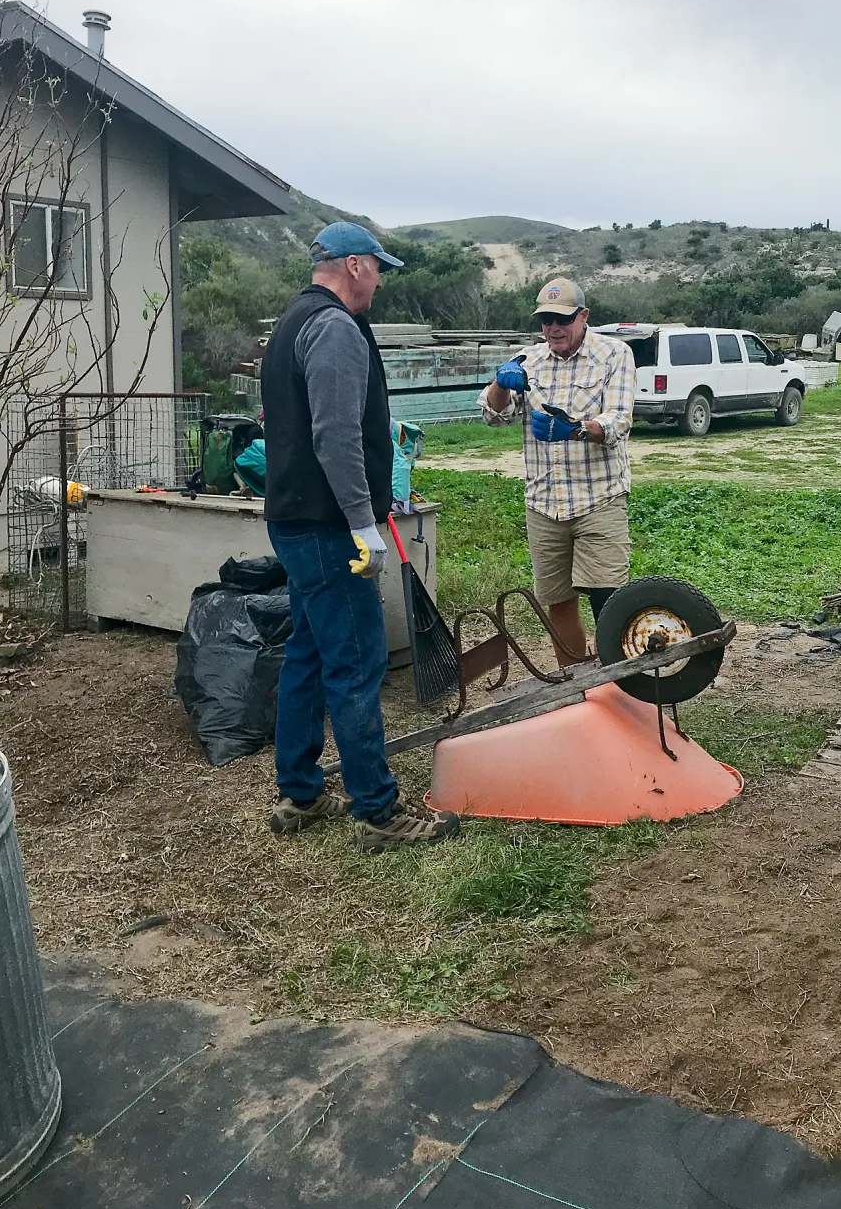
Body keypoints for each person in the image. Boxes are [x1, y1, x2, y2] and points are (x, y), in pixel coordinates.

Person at [261, 221, 460, 853]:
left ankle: (300, 790)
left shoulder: (291, 321)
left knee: (310, 654)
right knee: (356, 662)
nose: (379, 280)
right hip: (326, 526)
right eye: (378, 268)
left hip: (294, 518)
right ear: (352, 265)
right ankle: (378, 809)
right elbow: (336, 436)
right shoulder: (336, 329)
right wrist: (361, 523)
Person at [479, 278, 636, 666]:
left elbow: (619, 420)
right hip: (545, 503)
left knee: (609, 599)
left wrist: (579, 429)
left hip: (598, 498)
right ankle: (577, 689)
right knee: (559, 603)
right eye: (546, 320)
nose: (553, 328)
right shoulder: (527, 361)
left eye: (562, 319)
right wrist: (501, 383)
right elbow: (493, 416)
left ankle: (620, 684)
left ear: (583, 316)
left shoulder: (614, 354)